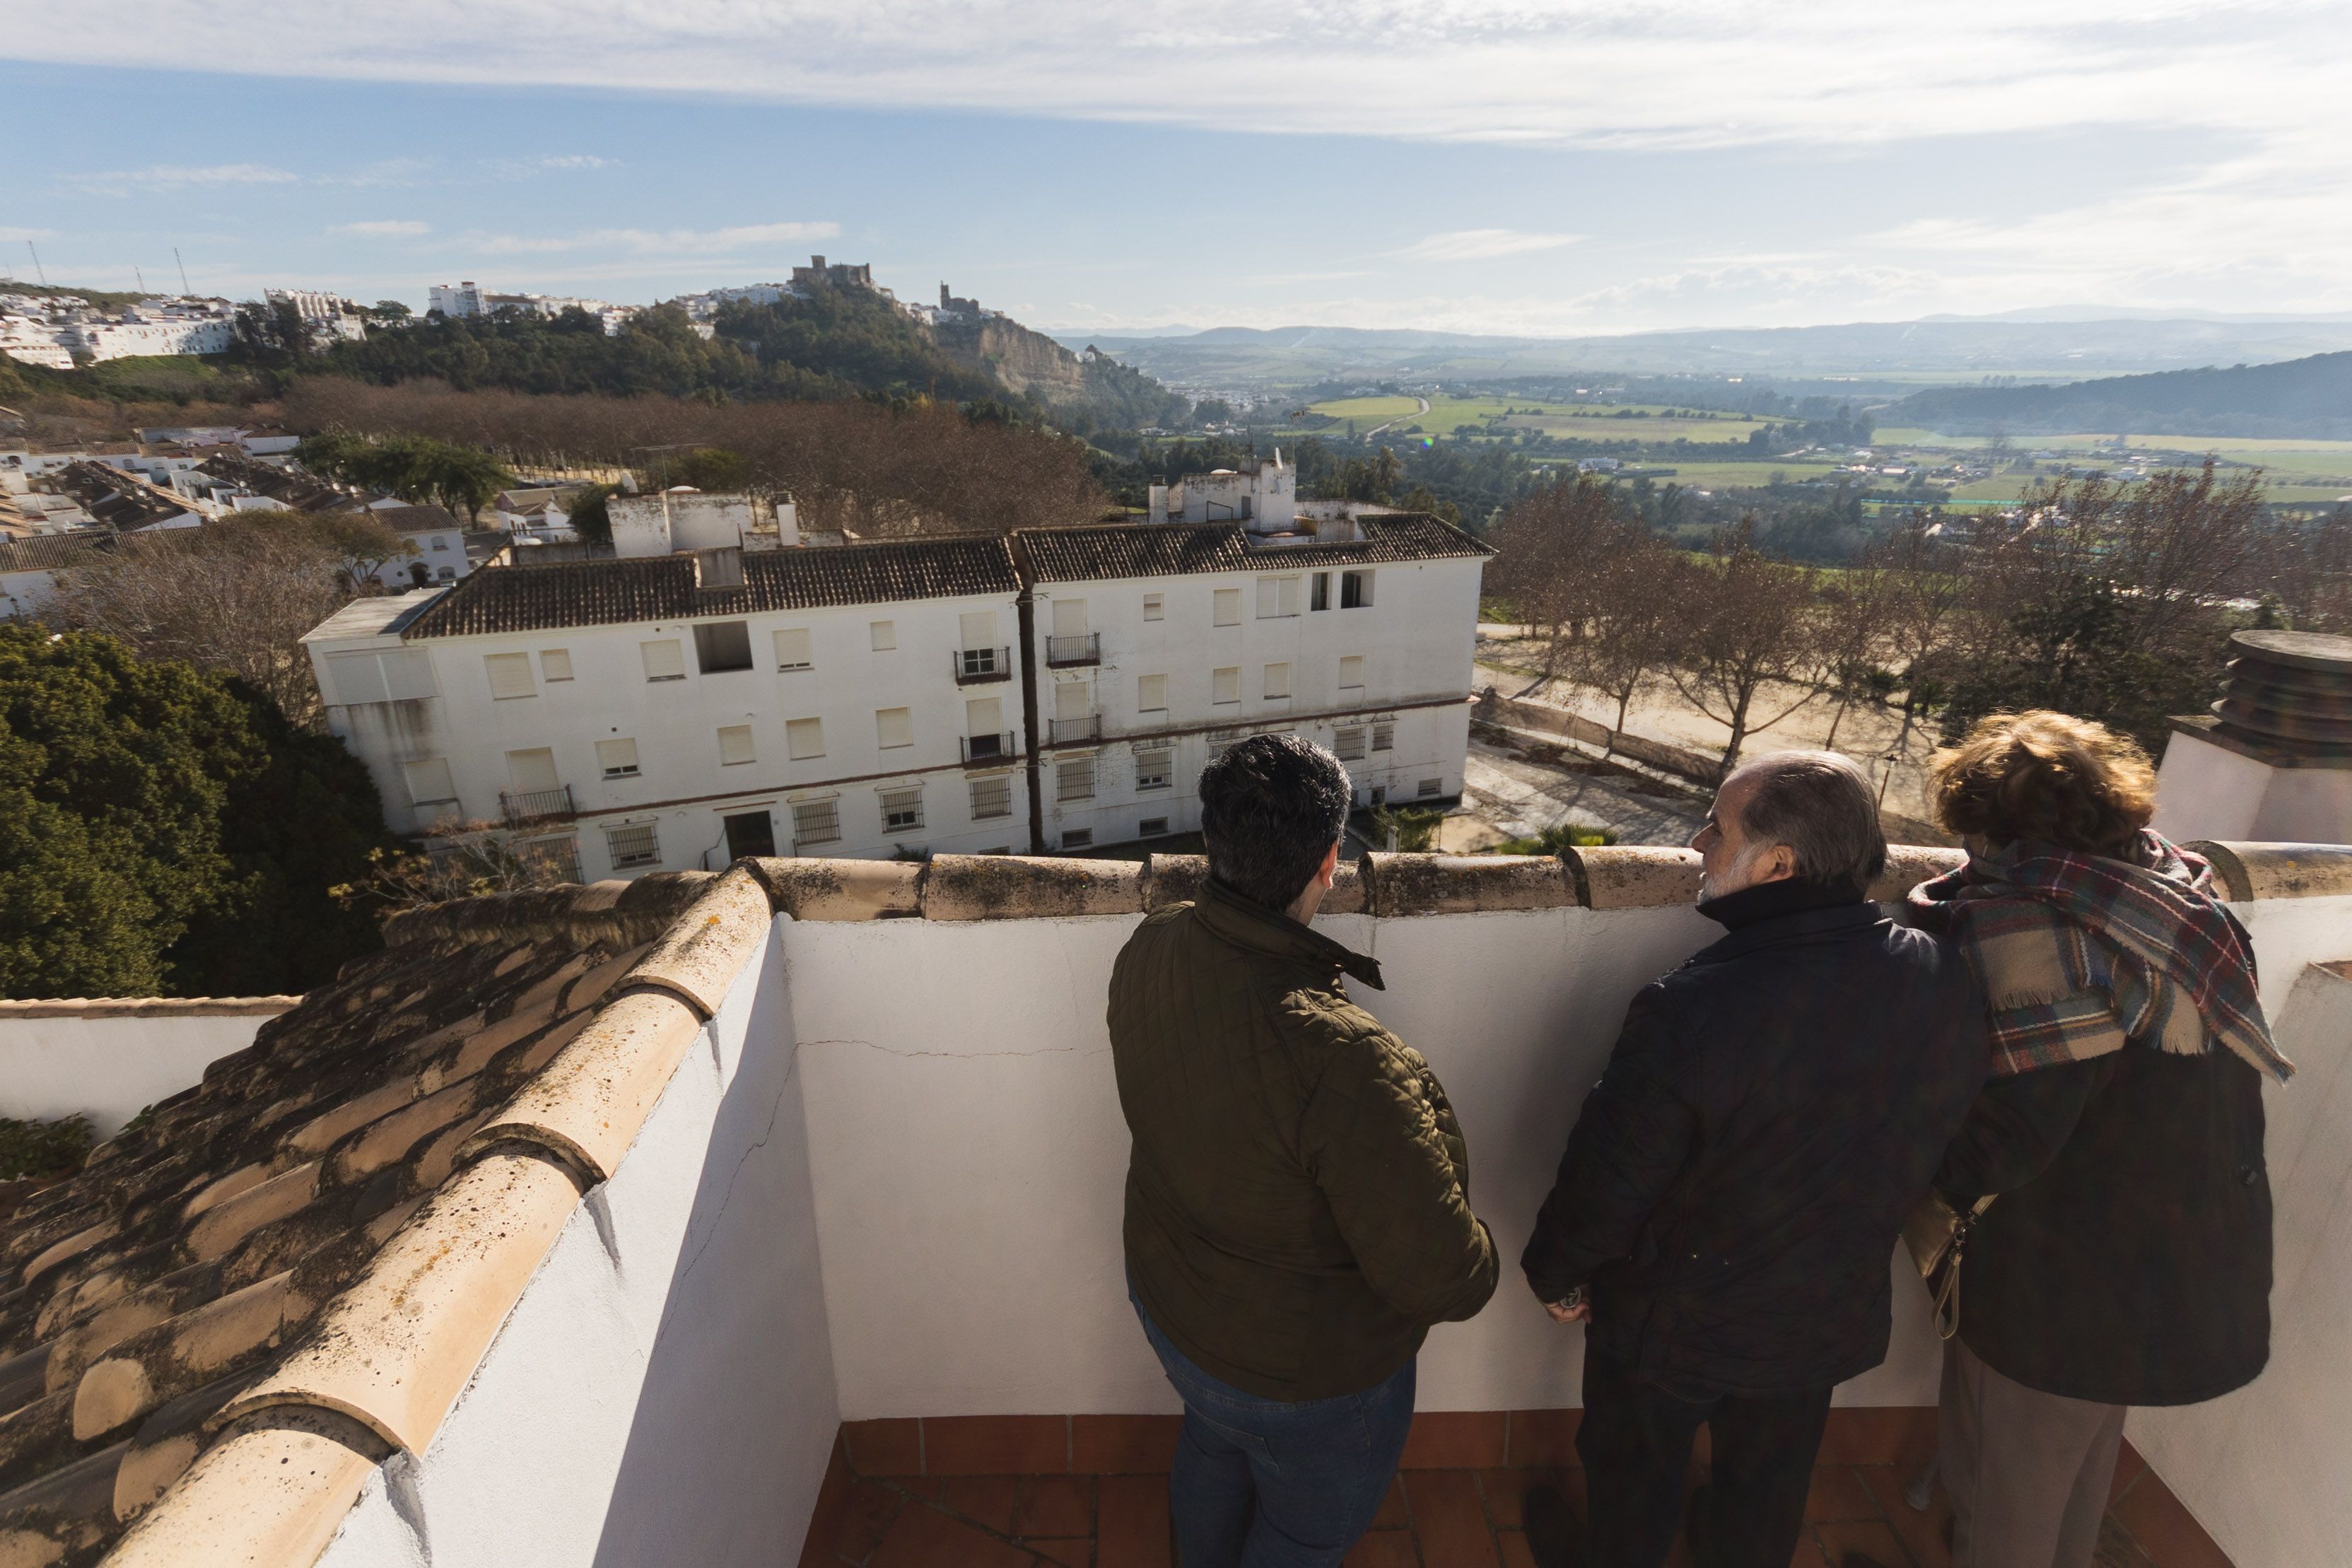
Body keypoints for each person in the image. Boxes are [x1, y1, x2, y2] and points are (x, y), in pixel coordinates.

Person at [1521, 751, 1989, 1568]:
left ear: (1779, 864)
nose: (1698, 841)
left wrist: (1556, 1273)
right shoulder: (1939, 975)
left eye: (1719, 827)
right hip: (1820, 1314)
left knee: (1632, 1490)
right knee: (1766, 1493)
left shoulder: (1694, 1007)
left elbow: (1610, 1179)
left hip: (1674, 1325)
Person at [1108, 733, 1499, 1568]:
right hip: (1304, 1379)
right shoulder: (1345, 1060)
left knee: (1212, 1450)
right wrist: (1487, 1255)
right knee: (1303, 1534)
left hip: (1175, 1312)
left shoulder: (1152, 945)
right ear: (1331, 862)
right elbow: (1444, 1278)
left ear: (1213, 842)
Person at [1912, 712, 2290, 1568]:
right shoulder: (2182, 901)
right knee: (2074, 1473)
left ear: (1996, 827)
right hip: (2171, 1264)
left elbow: (2012, 1140)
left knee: (2011, 1499)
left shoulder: (2033, 938)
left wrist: (1915, 1180)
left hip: (2067, 1285)